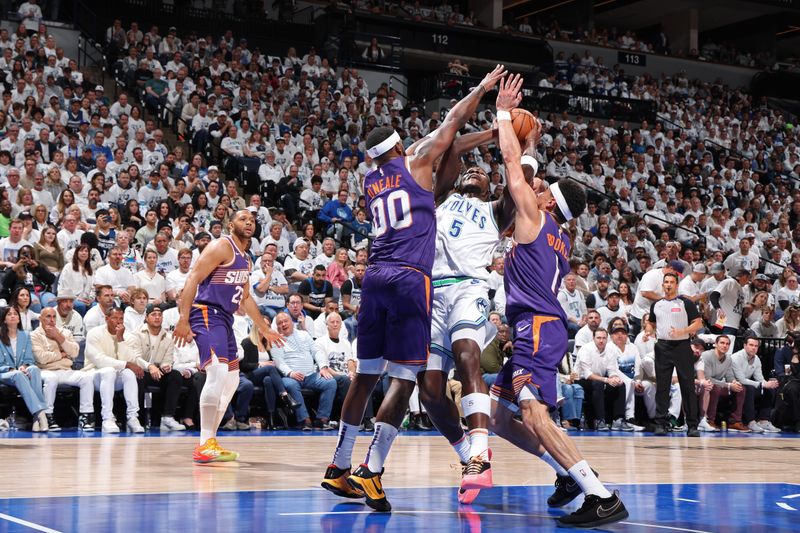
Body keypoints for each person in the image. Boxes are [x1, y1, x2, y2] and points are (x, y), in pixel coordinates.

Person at [322, 65, 508, 512]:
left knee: (366, 377)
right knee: (406, 378)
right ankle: (370, 469)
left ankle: (339, 466)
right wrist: (483, 91)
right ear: (402, 148)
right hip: (411, 279)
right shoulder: (417, 162)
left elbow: (452, 143)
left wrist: (485, 138)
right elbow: (450, 128)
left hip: (375, 277)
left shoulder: (371, 180)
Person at [487, 75, 627, 528]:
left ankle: (600, 494)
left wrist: (505, 112)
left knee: (533, 411)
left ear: (547, 201)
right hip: (540, 324)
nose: (537, 186)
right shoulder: (558, 233)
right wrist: (534, 146)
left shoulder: (533, 216)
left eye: (544, 188)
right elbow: (528, 175)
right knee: (493, 412)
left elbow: (512, 167)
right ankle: (566, 474)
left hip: (538, 326)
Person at [417, 123, 532, 503]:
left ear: (490, 189)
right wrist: (489, 132)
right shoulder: (441, 196)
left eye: (484, 172)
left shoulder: (497, 211)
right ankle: (468, 455)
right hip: (433, 292)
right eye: (471, 169)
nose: (475, 171)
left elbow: (521, 177)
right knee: (431, 392)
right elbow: (449, 148)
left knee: (468, 356)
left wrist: (527, 141)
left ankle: (480, 454)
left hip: (469, 288)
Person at [173, 210, 283, 464]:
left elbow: (245, 298)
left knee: (232, 380)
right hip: (206, 312)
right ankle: (204, 443)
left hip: (225, 318)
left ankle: (210, 440)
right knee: (218, 372)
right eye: (243, 218)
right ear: (230, 223)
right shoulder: (222, 246)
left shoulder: (245, 259)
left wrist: (264, 328)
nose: (248, 223)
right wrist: (183, 318)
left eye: (252, 220)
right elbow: (193, 278)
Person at [643, 272, 703, 436]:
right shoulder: (657, 304)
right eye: (666, 282)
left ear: (676, 285)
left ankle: (692, 425)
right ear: (663, 285)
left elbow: (698, 323)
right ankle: (661, 423)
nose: (668, 284)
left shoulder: (686, 303)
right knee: (662, 386)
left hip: (682, 346)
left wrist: (682, 331)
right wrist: (648, 332)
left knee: (687, 385)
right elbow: (651, 323)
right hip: (662, 347)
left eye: (671, 282)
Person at [271, 312, 337, 430]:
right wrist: (291, 373)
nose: (283, 324)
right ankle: (305, 420)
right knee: (290, 384)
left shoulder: (304, 335)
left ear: (291, 322)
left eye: (285, 321)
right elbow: (278, 361)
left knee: (330, 382)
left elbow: (316, 351)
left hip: (310, 375)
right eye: (280, 323)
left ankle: (322, 419)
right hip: (290, 376)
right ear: (277, 326)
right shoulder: (277, 340)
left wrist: (323, 367)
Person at [85, 307, 146, 433]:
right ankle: (107, 418)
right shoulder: (94, 333)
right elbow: (99, 360)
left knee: (128, 373)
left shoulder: (126, 335)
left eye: (121, 319)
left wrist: (120, 339)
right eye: (114, 318)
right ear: (106, 319)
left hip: (113, 376)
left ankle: (132, 417)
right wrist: (126, 364)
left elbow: (130, 360)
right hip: (93, 374)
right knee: (109, 371)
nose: (118, 322)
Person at [129, 304, 186, 431]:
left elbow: (168, 359)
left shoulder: (168, 337)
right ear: (146, 318)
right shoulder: (137, 334)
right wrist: (150, 366)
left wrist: (167, 366)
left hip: (158, 371)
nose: (157, 317)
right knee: (137, 377)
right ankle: (136, 418)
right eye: (153, 315)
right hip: (142, 370)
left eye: (160, 315)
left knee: (175, 375)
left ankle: (167, 418)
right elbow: (135, 357)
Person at [32, 307, 89, 432]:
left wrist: (58, 337)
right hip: (45, 371)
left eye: (54, 317)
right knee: (51, 378)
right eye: (48, 316)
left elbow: (74, 352)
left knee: (86, 377)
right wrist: (62, 354)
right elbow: (41, 358)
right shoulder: (34, 335)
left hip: (65, 370)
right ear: (41, 319)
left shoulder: (65, 332)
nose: (51, 320)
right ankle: (48, 416)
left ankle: (86, 416)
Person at [0, 306, 49, 431]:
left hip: (19, 372)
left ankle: (36, 419)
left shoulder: (26, 335)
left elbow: (29, 358)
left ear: (19, 318)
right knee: (18, 374)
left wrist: (25, 365)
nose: (13, 316)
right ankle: (41, 414)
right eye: (9, 314)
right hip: (5, 373)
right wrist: (11, 369)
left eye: (15, 314)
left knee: (34, 369)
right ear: (4, 319)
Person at [731, 335, 781, 433]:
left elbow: (760, 378)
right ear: (745, 345)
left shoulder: (756, 359)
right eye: (751, 345)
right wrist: (762, 384)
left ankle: (763, 420)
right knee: (749, 388)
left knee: (769, 389)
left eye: (756, 346)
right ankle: (750, 422)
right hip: (734, 385)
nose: (753, 348)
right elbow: (741, 380)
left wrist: (768, 384)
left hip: (747, 385)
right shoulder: (736, 357)